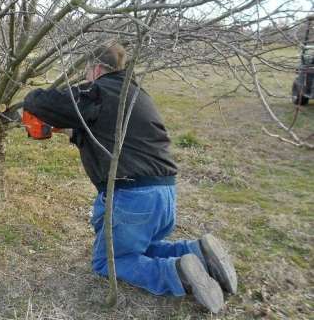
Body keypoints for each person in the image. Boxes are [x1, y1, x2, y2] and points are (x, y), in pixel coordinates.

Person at [23, 43, 237, 313]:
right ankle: (197, 252)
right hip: (165, 195)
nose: (84, 78)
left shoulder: (95, 91)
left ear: (97, 68)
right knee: (141, 248)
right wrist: (70, 130)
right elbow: (104, 130)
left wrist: (29, 100)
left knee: (108, 262)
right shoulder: (134, 93)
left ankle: (176, 274)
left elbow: (41, 102)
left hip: (133, 199)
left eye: (86, 72)